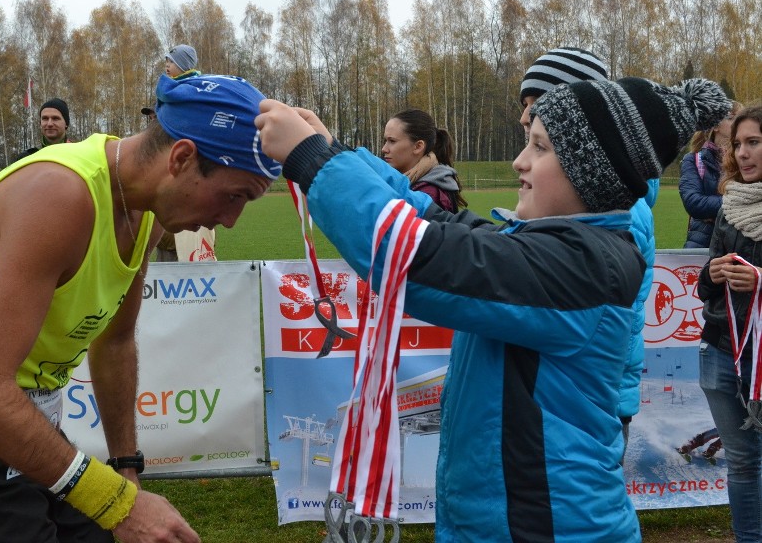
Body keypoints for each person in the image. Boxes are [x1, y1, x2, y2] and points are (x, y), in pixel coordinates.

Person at [255, 77, 729, 541]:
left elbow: (416, 256)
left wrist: (311, 160)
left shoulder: (582, 266)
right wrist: (334, 154)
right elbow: (435, 221)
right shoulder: (555, 247)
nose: (519, 162)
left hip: (547, 527)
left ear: (592, 171)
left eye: (541, 148)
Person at [0, 73, 281, 542]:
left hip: (21, 413)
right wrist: (116, 504)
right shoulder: (61, 195)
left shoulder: (143, 211)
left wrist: (125, 468)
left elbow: (115, 341)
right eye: (234, 196)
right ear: (182, 157)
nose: (230, 220)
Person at [520, 47, 657, 460]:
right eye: (525, 107)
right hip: (573, 392)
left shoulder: (616, 213)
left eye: (536, 106)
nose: (525, 118)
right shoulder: (569, 200)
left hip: (593, 399)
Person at [697, 104, 762, 542]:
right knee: (740, 462)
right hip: (721, 349)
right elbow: (705, 286)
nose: (741, 153)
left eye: (753, 142)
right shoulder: (729, 205)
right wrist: (713, 273)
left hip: (759, 358)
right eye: (737, 144)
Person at [147, 43, 217, 262]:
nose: (167, 66)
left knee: (191, 252)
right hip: (169, 178)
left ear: (184, 64)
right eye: (166, 61)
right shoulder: (171, 95)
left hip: (189, 178)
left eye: (171, 61)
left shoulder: (192, 94)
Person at [679, 100, 742, 248]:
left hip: (742, 240)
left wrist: (713, 210)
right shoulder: (694, 159)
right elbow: (694, 203)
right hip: (702, 242)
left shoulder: (748, 157)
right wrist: (739, 204)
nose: (738, 123)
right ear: (715, 126)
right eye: (732, 118)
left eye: (740, 118)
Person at [382, 109, 467, 212]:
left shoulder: (429, 196)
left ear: (418, 146)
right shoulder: (411, 185)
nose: (384, 149)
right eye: (385, 141)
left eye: (392, 141)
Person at [14, 97, 73, 162]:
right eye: (45, 118)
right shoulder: (25, 158)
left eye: (55, 118)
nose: (49, 124)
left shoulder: (77, 154)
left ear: (66, 123)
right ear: (40, 123)